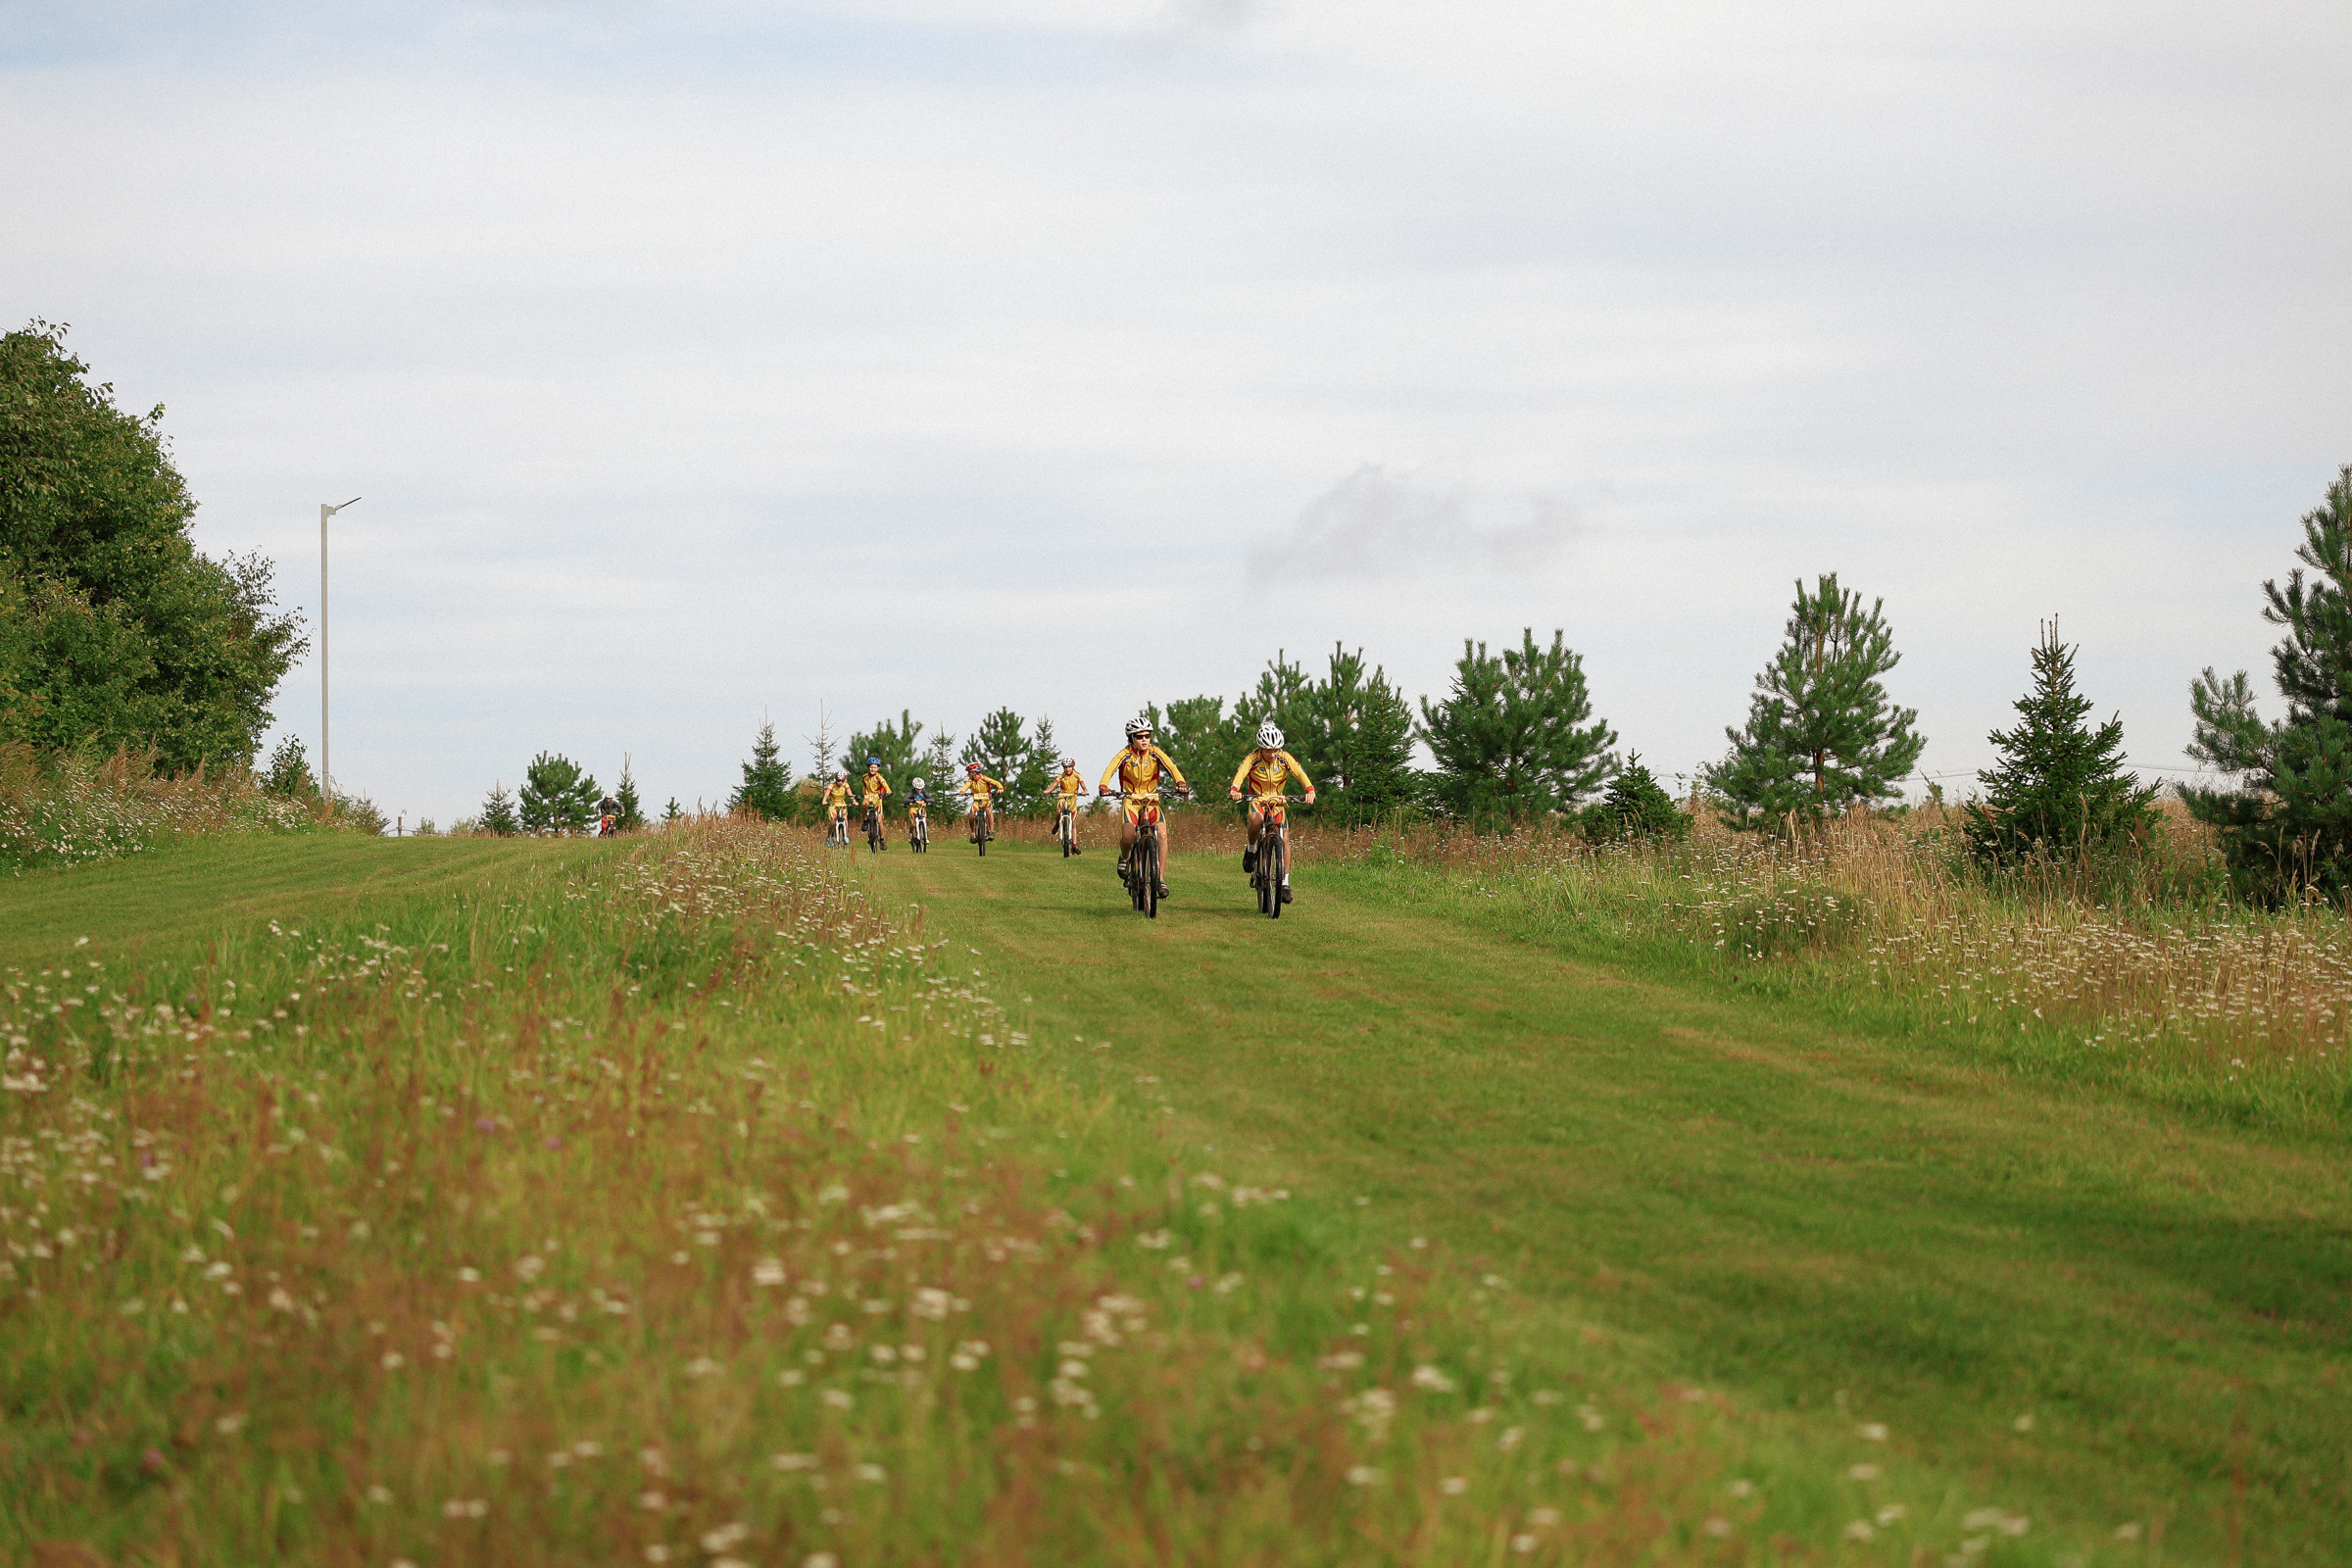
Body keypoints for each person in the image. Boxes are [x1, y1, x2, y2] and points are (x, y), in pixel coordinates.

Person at [1099, 716, 1188, 898]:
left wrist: (1181, 782)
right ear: (1131, 738)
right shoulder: (1124, 755)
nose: (1144, 740)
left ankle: (1160, 879)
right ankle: (1124, 858)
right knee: (1128, 835)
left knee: (1162, 834)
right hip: (1131, 800)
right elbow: (1110, 768)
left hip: (1151, 800)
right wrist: (1104, 786)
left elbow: (1171, 766)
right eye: (1139, 736)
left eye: (1147, 736)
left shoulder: (1155, 753)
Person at [1229, 720, 1315, 903]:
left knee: (1284, 838)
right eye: (1268, 750)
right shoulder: (1252, 759)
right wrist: (1235, 789)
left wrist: (1310, 790)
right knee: (1255, 821)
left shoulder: (1284, 758)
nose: (1272, 754)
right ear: (1261, 748)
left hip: (1278, 802)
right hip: (1257, 800)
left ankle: (1284, 883)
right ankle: (1252, 849)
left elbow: (1300, 773)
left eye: (1276, 750)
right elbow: (1241, 773)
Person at [1049, 756, 1089, 853]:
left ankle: (1074, 845)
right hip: (1063, 797)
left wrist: (1084, 791)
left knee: (1074, 823)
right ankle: (1057, 824)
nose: (1067, 769)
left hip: (1072, 798)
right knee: (1059, 810)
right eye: (1066, 767)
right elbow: (1054, 784)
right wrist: (1048, 791)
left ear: (1072, 767)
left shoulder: (1077, 776)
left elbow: (1084, 786)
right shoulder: (1061, 776)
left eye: (1069, 767)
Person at [960, 761, 1005, 841]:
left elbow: (996, 783)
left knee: (989, 811)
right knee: (971, 816)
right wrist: (962, 791)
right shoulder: (971, 781)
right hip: (976, 801)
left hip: (986, 800)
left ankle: (991, 831)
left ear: (975, 772)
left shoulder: (984, 779)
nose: (969, 774)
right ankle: (973, 833)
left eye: (970, 772)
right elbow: (966, 785)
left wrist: (1000, 789)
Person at [858, 757, 893, 849]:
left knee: (879, 821)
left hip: (878, 798)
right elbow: (864, 787)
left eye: (874, 767)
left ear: (878, 768)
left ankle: (882, 839)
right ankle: (865, 821)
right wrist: (863, 795)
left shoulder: (878, 777)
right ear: (868, 768)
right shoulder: (864, 777)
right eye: (871, 767)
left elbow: (884, 784)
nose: (872, 769)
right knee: (863, 805)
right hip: (868, 796)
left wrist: (888, 791)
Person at [819, 770, 854, 843]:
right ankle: (828, 837)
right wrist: (824, 801)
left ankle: (846, 836)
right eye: (838, 781)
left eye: (842, 781)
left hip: (842, 804)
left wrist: (854, 801)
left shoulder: (846, 785)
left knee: (845, 819)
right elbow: (827, 794)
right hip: (833, 805)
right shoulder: (831, 786)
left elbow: (850, 794)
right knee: (833, 822)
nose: (840, 782)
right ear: (836, 780)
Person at [906, 775, 930, 846]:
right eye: (917, 789)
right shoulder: (911, 792)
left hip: (921, 808)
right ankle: (910, 833)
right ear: (914, 787)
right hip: (913, 809)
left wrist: (925, 800)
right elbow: (905, 799)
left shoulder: (924, 792)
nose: (919, 790)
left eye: (921, 789)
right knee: (914, 823)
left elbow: (931, 799)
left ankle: (926, 838)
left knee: (924, 821)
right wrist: (914, 801)